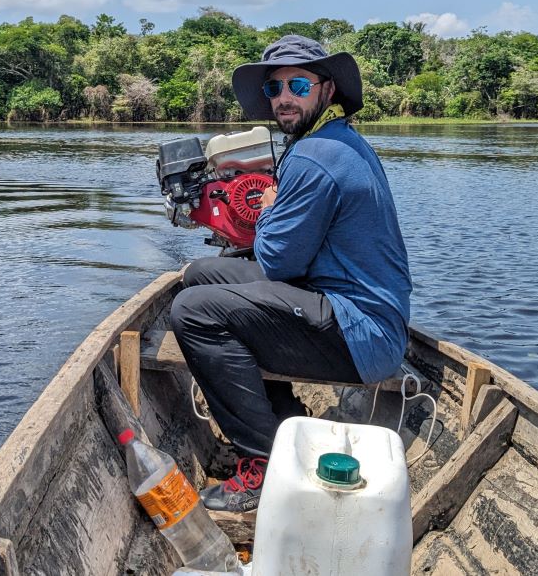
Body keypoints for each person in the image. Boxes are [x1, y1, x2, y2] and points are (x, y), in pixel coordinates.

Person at [169, 34, 412, 512]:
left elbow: (279, 261)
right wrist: (276, 217)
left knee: (193, 312)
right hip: (351, 312)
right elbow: (288, 257)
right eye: (274, 88)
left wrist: (270, 212)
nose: (283, 97)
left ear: (327, 90)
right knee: (202, 274)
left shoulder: (313, 157)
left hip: (361, 333)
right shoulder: (340, 142)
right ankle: (282, 418)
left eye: (298, 84)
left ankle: (262, 467)